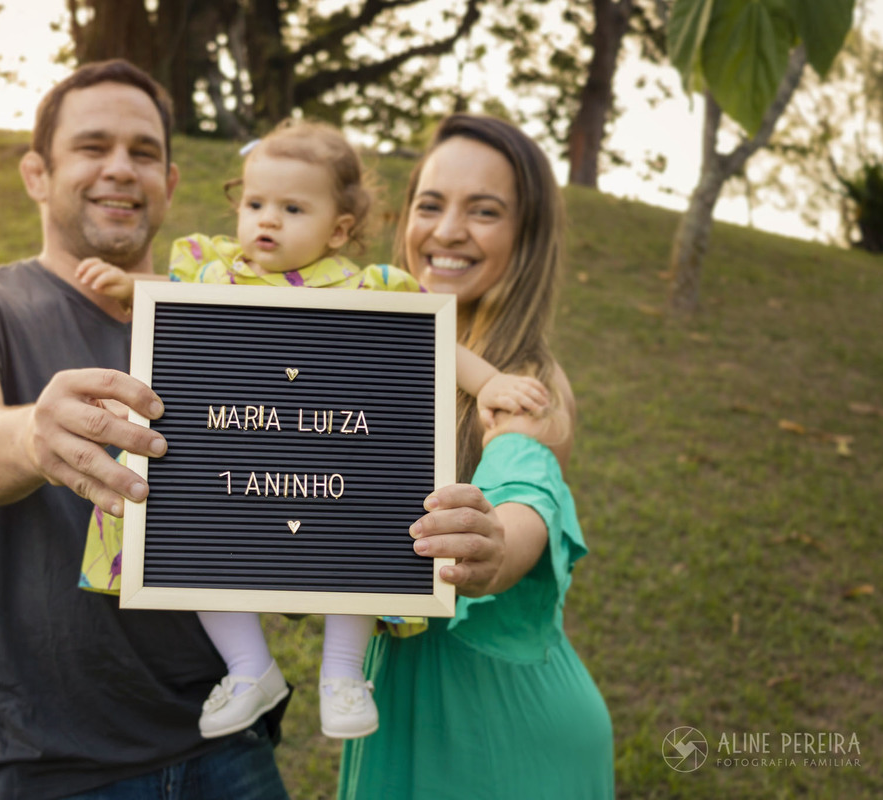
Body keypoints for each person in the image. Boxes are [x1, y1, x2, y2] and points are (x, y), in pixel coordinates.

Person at [0, 60, 293, 800]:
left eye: (143, 153)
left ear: (170, 184)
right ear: (37, 174)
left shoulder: (229, 324)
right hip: (40, 763)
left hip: (228, 746)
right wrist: (31, 439)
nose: (120, 170)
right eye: (92, 147)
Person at [74, 119, 551, 743]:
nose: (266, 220)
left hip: (332, 460)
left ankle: (343, 672)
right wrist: (132, 288)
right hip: (234, 458)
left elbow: (434, 342)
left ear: (340, 227)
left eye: (292, 208)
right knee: (175, 527)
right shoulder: (212, 272)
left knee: (368, 532)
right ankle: (250, 667)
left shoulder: (367, 289)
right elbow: (173, 314)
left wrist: (486, 382)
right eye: (254, 204)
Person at [338, 114, 615, 799]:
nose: (448, 230)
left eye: (484, 212)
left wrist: (495, 547)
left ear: (526, 237)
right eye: (431, 205)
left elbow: (527, 494)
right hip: (395, 701)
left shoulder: (525, 383)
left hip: (498, 730)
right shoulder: (383, 352)